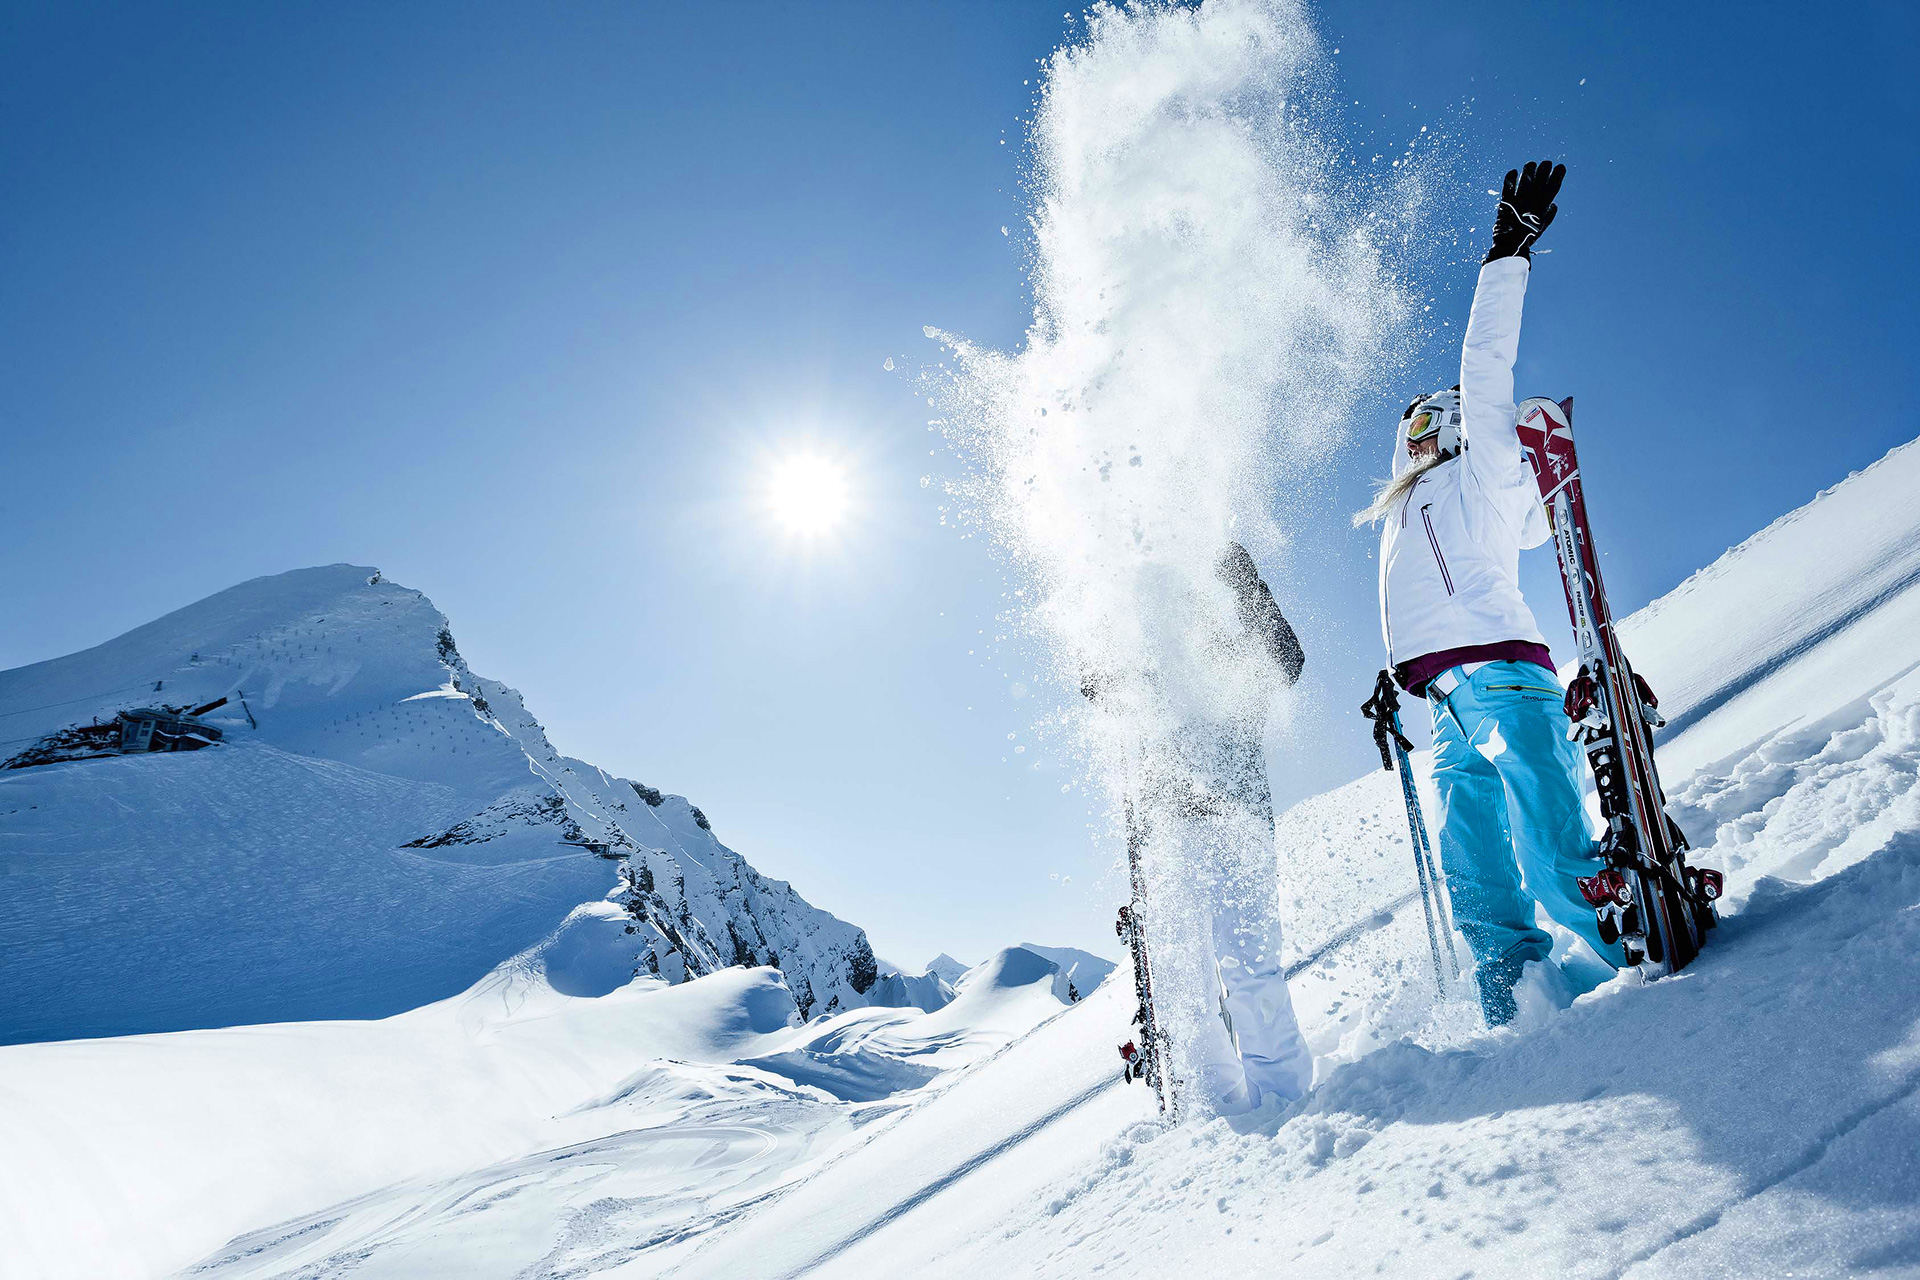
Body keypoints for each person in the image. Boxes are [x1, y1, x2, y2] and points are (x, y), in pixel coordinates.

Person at [1355, 160, 1621, 1027]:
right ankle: (1516, 1002)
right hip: (1446, 703)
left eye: (1438, 419)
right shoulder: (1402, 510)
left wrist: (1508, 252)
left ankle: (1639, 948)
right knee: (1472, 867)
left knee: (1551, 852)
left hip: (1506, 680)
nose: (1427, 431)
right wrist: (1396, 674)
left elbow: (1484, 364)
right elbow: (1415, 594)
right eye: (1417, 426)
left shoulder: (1485, 474)